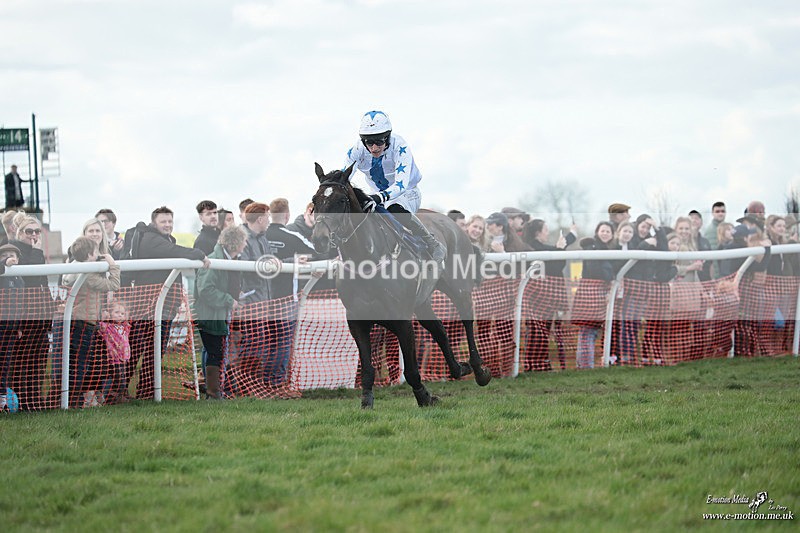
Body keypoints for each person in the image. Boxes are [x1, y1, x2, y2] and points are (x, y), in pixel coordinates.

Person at [124, 206, 210, 400]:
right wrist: (199, 254)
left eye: (170, 222)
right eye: (164, 221)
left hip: (164, 305)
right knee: (137, 348)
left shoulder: (164, 239)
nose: (168, 225)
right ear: (154, 222)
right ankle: (115, 389)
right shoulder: (151, 240)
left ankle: (145, 391)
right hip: (147, 306)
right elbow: (174, 251)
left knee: (156, 350)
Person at [343, 110, 445, 264]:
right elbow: (343, 179)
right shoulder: (356, 150)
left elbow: (401, 185)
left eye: (379, 141)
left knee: (394, 208)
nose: (374, 147)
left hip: (406, 193)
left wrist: (378, 198)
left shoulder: (400, 146)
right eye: (369, 142)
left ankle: (431, 242)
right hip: (377, 194)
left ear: (388, 137)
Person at [62, 236, 120, 407]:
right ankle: (75, 399)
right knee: (80, 364)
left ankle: (74, 398)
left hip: (80, 321)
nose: (99, 254)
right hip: (84, 322)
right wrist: (112, 264)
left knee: (77, 362)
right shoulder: (88, 276)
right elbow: (114, 284)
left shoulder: (78, 270)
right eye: (96, 252)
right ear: (89, 255)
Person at [195, 226, 248, 399]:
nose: (245, 244)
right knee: (215, 352)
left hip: (219, 313)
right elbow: (205, 290)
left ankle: (215, 391)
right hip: (210, 314)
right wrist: (228, 300)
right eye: (243, 241)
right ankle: (213, 393)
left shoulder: (226, 259)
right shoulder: (214, 260)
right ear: (235, 244)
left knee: (216, 352)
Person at [520, 219, 577, 371]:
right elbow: (556, 264)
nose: (547, 232)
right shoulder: (534, 247)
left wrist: (571, 236)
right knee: (537, 332)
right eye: (545, 229)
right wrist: (561, 247)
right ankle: (535, 365)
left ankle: (541, 364)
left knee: (543, 330)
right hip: (539, 297)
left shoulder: (540, 246)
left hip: (545, 297)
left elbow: (556, 251)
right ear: (538, 232)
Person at [7, 216, 51, 409]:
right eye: (29, 231)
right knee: (23, 361)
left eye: (37, 231)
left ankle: (35, 399)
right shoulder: (14, 250)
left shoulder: (36, 252)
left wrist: (49, 310)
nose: (33, 235)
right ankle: (22, 401)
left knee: (39, 361)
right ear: (19, 232)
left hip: (39, 314)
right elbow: (31, 277)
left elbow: (44, 283)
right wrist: (38, 250)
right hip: (23, 315)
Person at [573, 222, 615, 369]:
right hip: (590, 294)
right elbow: (596, 270)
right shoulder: (593, 248)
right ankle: (585, 365)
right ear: (597, 232)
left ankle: (583, 364)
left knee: (589, 331)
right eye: (602, 230)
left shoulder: (606, 250)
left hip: (596, 294)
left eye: (608, 231)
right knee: (588, 331)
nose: (605, 233)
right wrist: (609, 276)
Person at [0, 243, 25, 411]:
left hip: (11, 328)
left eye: (13, 254)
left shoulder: (20, 278)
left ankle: (2, 402)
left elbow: (21, 304)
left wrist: (19, 326)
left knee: (5, 364)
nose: (10, 257)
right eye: (5, 254)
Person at [98, 299, 131, 404]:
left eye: (122, 313)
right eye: (116, 312)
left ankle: (115, 399)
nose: (120, 315)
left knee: (122, 381)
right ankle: (109, 399)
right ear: (110, 313)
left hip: (123, 359)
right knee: (118, 381)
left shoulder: (125, 327)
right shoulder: (107, 327)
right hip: (114, 359)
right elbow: (100, 325)